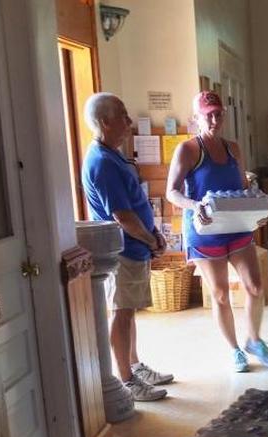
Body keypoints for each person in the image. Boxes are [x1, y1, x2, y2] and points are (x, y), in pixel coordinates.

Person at [166, 91, 268, 372]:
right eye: (208, 115)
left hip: (237, 228)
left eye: (219, 114)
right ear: (197, 118)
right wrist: (195, 205)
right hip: (206, 232)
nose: (215, 119)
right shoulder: (189, 150)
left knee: (255, 286)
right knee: (219, 294)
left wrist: (257, 211)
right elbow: (172, 192)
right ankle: (234, 350)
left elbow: (242, 187)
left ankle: (254, 339)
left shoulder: (233, 148)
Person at [81, 92, 173, 402]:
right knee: (121, 312)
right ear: (105, 122)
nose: (129, 122)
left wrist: (152, 236)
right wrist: (151, 239)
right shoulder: (102, 162)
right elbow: (121, 215)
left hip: (134, 247)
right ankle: (125, 379)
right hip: (121, 250)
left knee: (129, 311)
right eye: (122, 115)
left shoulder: (114, 155)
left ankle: (134, 365)